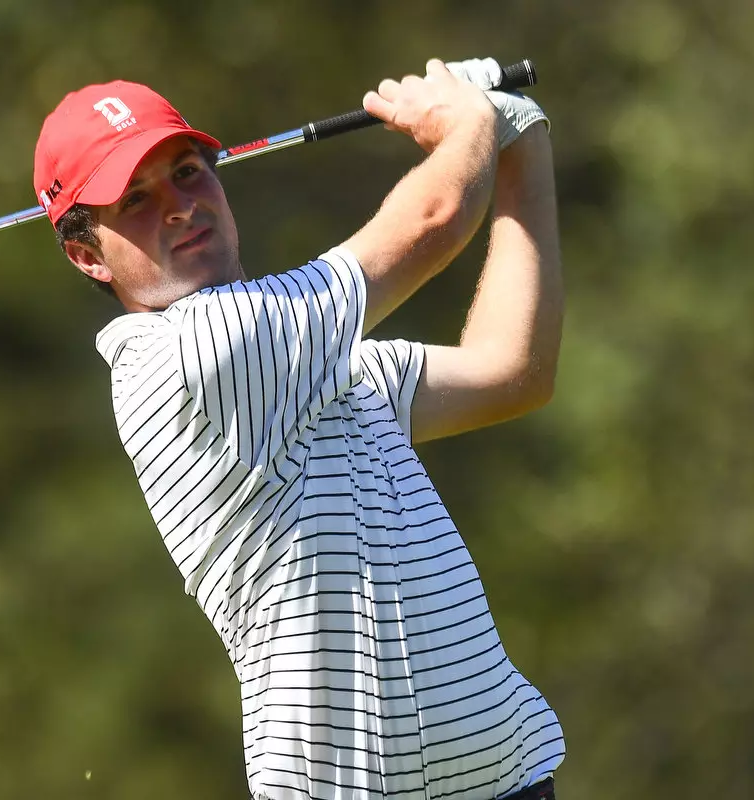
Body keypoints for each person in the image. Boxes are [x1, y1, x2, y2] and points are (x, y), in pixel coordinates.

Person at [32, 56, 565, 800]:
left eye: (187, 173)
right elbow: (435, 218)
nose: (180, 207)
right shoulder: (190, 355)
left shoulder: (303, 360)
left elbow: (512, 371)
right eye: (137, 199)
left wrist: (522, 145)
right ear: (88, 255)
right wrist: (470, 121)